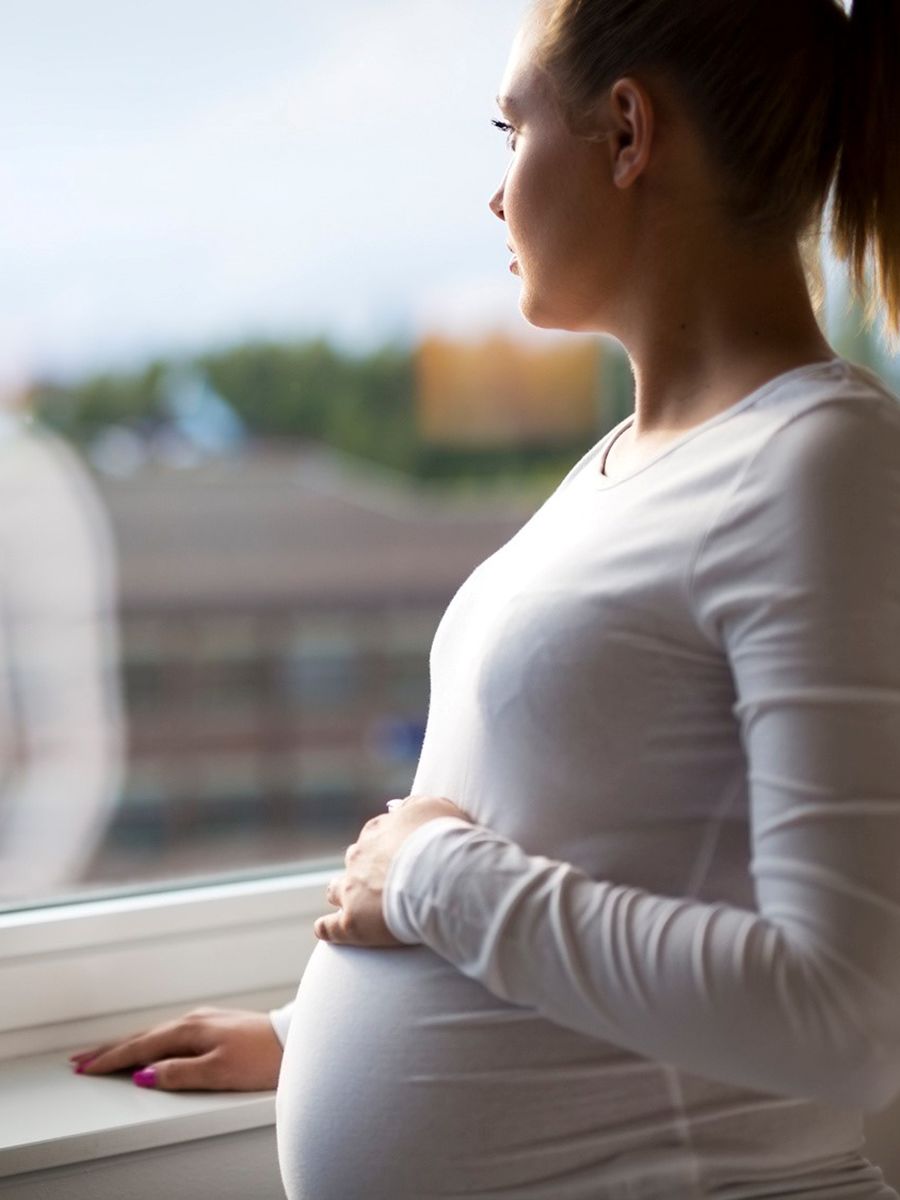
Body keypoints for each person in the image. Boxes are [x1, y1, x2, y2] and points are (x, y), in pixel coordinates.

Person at [69, 0, 900, 1195]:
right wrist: (306, 1037)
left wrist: (427, 882)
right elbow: (608, 840)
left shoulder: (821, 466)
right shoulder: (627, 464)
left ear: (625, 134)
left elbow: (843, 1015)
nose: (496, 194)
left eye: (511, 128)